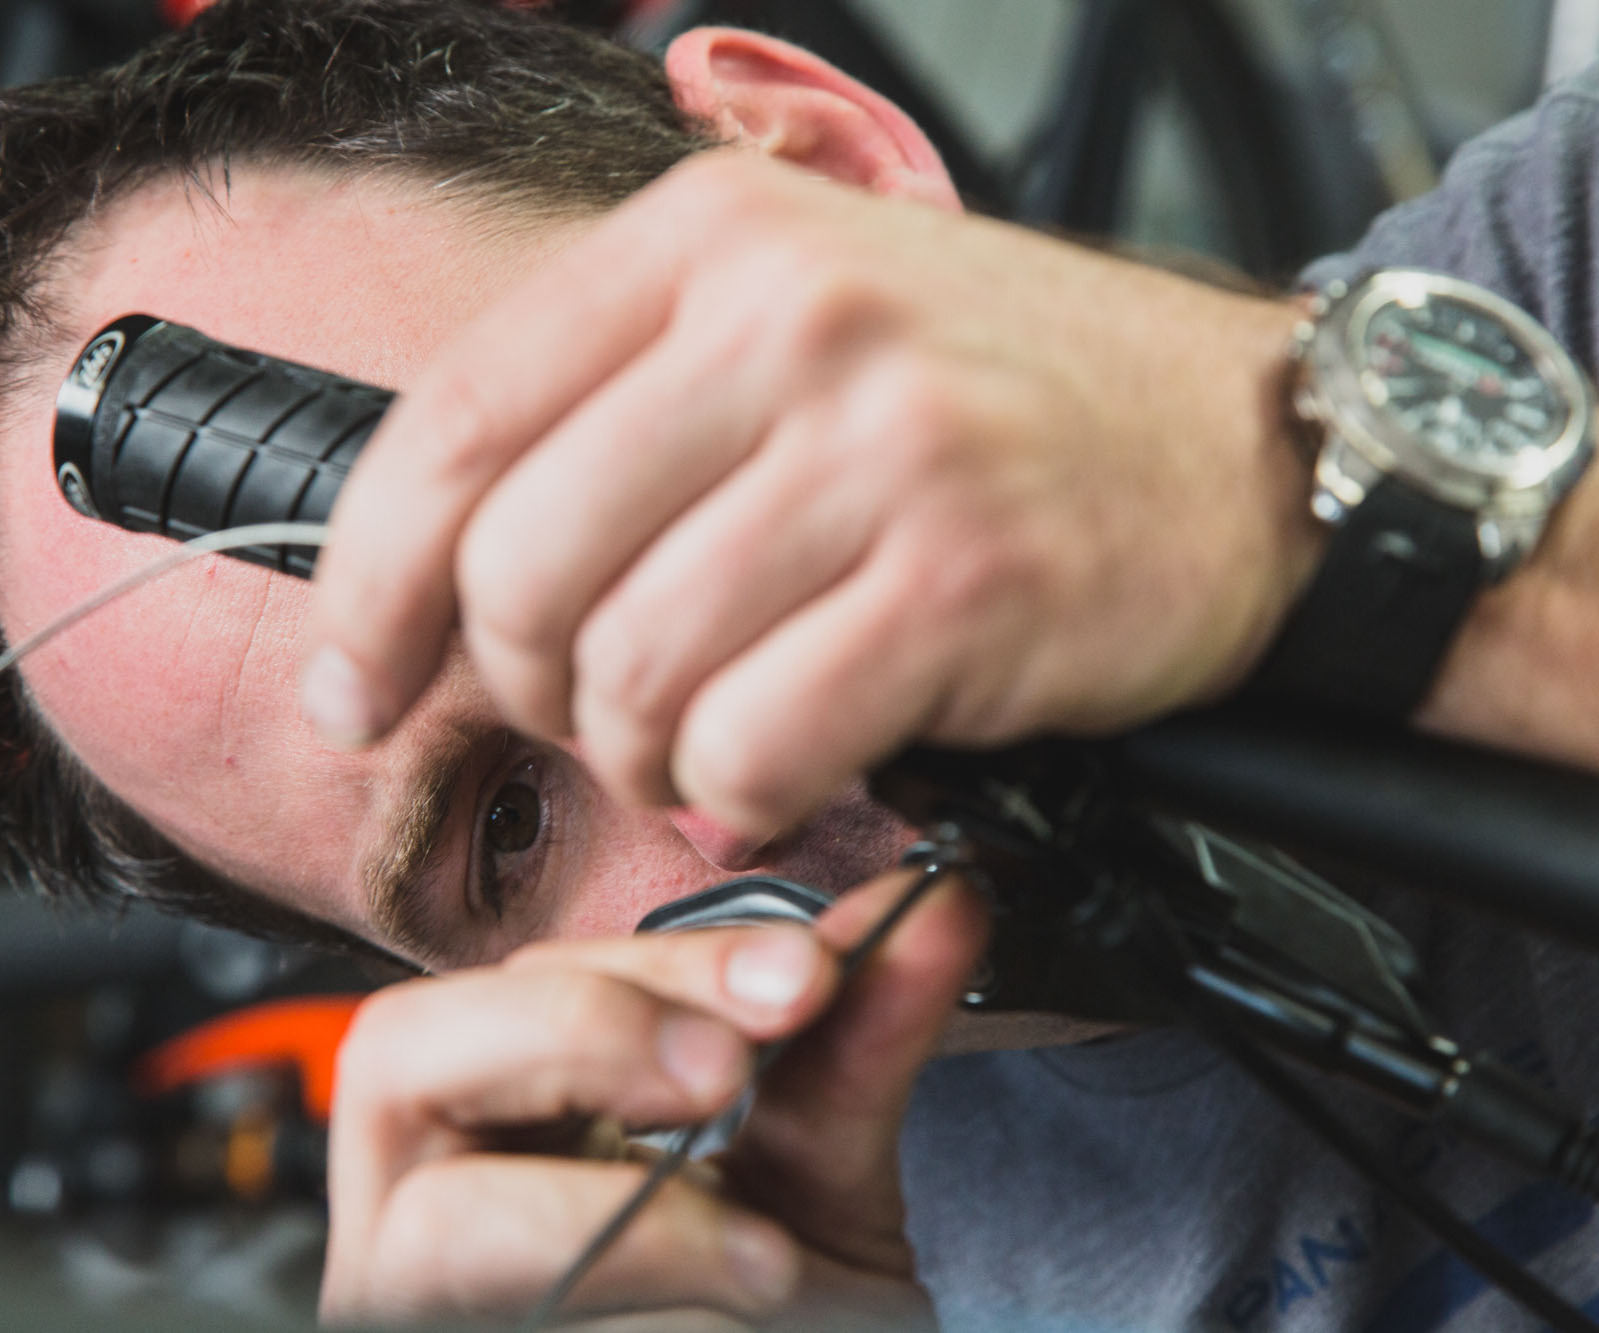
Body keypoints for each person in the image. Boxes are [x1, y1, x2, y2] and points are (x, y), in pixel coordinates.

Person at [3, 1, 1599, 1328]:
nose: (724, 771)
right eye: (506, 826)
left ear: (831, 167)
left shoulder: (1571, 251)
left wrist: (1412, 555)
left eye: (612, 496)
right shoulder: (810, 1276)